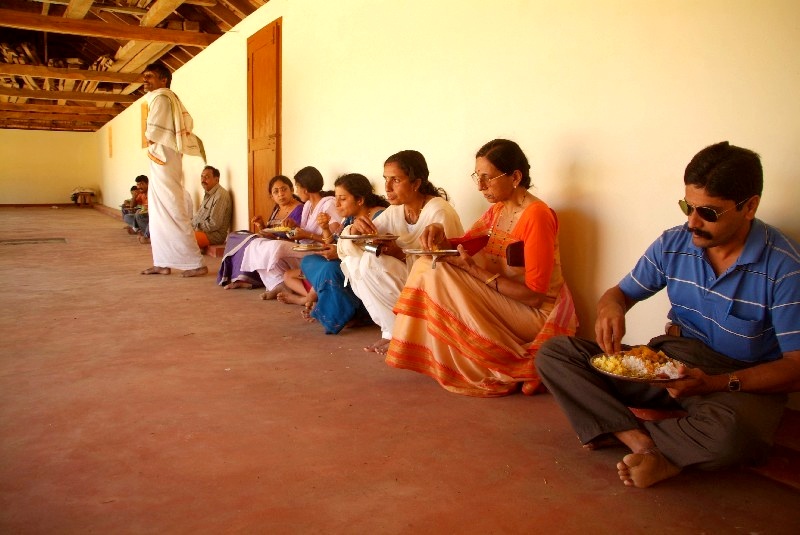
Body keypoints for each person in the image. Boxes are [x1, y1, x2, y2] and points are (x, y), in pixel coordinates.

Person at [535, 141, 800, 489]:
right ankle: (641, 443)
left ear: (749, 206)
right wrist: (611, 308)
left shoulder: (785, 268)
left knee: (732, 435)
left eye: (709, 213)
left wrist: (717, 383)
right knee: (556, 354)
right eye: (687, 207)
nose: (692, 222)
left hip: (738, 382)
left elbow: (795, 366)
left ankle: (628, 436)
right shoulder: (673, 244)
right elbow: (619, 293)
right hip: (671, 365)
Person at [386, 139, 578, 396]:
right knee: (428, 265)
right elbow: (467, 244)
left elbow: (535, 296)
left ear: (515, 177)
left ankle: (495, 361)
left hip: (536, 313)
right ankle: (464, 356)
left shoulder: (536, 215)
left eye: (488, 178)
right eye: (477, 177)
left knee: (435, 272)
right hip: (507, 299)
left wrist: (475, 272)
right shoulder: (498, 210)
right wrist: (440, 236)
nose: (480, 186)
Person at [337, 150, 464, 354]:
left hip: (438, 292)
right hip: (412, 284)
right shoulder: (396, 210)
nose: (387, 188)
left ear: (416, 183)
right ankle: (393, 331)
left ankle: (413, 333)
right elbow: (346, 246)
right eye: (385, 179)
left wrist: (401, 254)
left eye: (395, 180)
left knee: (371, 261)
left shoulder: (438, 211)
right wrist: (354, 230)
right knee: (354, 262)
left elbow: (444, 268)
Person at [279, 173, 389, 334]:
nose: (336, 204)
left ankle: (344, 312)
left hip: (370, 271)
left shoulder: (379, 216)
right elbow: (334, 244)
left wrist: (340, 254)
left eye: (342, 199)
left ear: (360, 200)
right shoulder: (350, 219)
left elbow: (379, 252)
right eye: (336, 198)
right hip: (347, 265)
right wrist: (325, 228)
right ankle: (347, 309)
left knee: (330, 269)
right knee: (309, 261)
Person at [139, 62, 208, 277]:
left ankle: (196, 264)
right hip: (163, 159)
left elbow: (152, 133)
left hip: (164, 159)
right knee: (158, 213)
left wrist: (150, 138)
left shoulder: (162, 97)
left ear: (163, 80)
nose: (145, 80)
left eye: (150, 76)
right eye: (144, 76)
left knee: (173, 210)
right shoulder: (163, 98)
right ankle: (162, 262)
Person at [240, 166, 342, 299]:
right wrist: (293, 227)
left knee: (276, 247)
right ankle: (278, 284)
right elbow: (303, 234)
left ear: (305, 189)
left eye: (297, 187)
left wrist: (306, 234)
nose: (297, 192)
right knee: (256, 244)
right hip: (303, 248)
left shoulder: (328, 204)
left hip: (319, 252)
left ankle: (290, 288)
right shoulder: (307, 206)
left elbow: (334, 239)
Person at [218, 174, 303, 290]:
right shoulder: (277, 209)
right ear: (271, 196)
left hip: (286, 245)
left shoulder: (299, 209)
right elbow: (270, 230)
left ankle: (250, 279)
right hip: (270, 241)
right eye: (276, 192)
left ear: (291, 190)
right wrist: (261, 225)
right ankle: (241, 278)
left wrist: (276, 237)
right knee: (236, 236)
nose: (281, 194)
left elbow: (299, 235)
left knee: (251, 242)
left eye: (284, 189)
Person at [191, 165, 232, 248]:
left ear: (216, 179)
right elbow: (199, 217)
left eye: (207, 177)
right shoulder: (208, 194)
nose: (203, 180)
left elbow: (214, 224)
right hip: (202, 231)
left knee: (185, 238)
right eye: (202, 176)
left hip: (214, 236)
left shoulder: (220, 195)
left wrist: (195, 227)